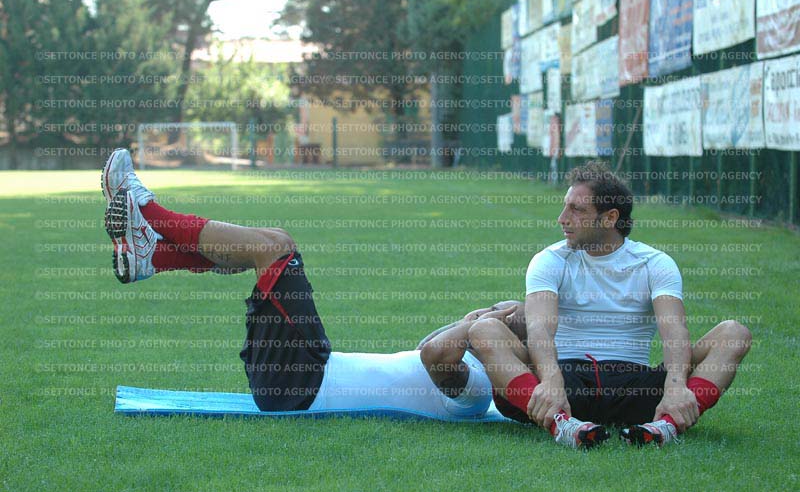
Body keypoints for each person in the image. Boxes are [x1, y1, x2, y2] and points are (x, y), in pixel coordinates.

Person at [101, 148, 504, 421]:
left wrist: (479, 326)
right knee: (275, 241)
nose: (494, 313)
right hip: (305, 374)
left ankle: (148, 212)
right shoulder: (470, 368)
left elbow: (435, 353)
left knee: (273, 250)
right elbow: (428, 347)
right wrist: (476, 322)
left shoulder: (478, 393)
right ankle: (154, 257)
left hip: (302, 383)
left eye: (503, 318)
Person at [465, 161, 752, 448]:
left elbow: (674, 330)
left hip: (637, 388)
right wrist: (551, 381)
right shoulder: (550, 260)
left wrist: (675, 385)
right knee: (484, 329)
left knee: (734, 333)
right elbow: (540, 327)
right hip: (565, 384)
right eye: (565, 207)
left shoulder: (654, 263)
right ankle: (561, 424)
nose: (562, 218)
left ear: (610, 217)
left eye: (577, 210)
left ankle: (665, 424)